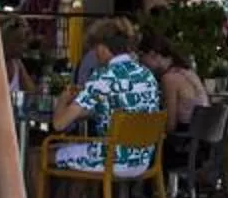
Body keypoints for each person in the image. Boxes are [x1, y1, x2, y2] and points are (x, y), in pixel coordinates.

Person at [50, 17, 162, 178]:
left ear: (102, 48)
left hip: (112, 160)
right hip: (141, 160)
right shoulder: (145, 73)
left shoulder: (103, 76)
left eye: (94, 49)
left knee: (40, 155)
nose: (94, 55)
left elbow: (59, 124)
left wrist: (64, 98)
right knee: (78, 152)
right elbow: (120, 111)